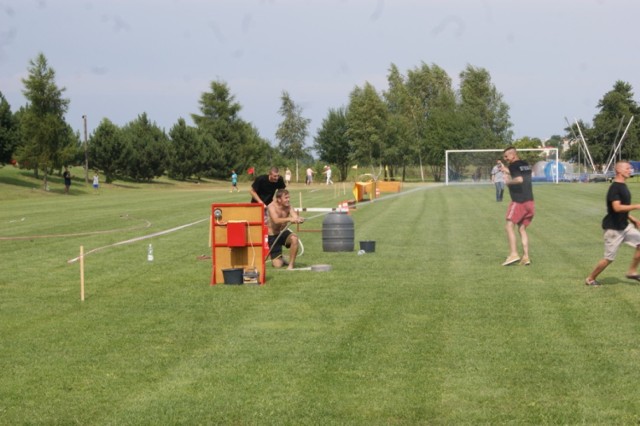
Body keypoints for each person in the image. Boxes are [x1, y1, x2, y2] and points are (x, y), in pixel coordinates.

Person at [585, 161, 640, 286]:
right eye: (627, 168)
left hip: (624, 226)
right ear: (619, 171)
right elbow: (616, 208)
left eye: (630, 168)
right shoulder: (615, 188)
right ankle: (590, 278)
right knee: (609, 258)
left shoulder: (623, 186)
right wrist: (636, 206)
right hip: (613, 230)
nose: (630, 170)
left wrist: (631, 218)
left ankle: (632, 272)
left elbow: (621, 208)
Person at [500, 146, 534, 266]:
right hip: (530, 202)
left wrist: (508, 182)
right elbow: (521, 174)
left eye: (506, 156)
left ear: (513, 155)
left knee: (509, 226)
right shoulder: (525, 164)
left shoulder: (513, 165)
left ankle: (513, 254)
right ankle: (526, 257)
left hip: (519, 201)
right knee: (521, 228)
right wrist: (506, 170)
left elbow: (519, 179)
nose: (505, 158)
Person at [267, 189, 304, 269]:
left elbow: (294, 216)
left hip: (283, 232)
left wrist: (299, 219)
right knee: (278, 265)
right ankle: (281, 259)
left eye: (289, 197)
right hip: (273, 235)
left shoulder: (289, 206)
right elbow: (276, 220)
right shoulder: (271, 206)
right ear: (279, 199)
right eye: (286, 198)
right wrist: (289, 219)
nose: (288, 200)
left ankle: (291, 265)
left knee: (294, 238)